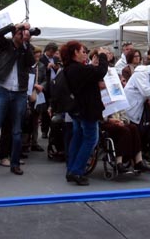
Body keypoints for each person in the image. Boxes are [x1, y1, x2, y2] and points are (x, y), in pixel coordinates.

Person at [0, 23, 35, 178]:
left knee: (17, 132)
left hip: (20, 93)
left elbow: (30, 62)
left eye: (22, 33)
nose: (20, 36)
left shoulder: (26, 48)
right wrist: (13, 27)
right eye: (19, 34)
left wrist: (26, 43)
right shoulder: (6, 45)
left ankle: (15, 164)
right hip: (3, 91)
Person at [60, 42, 109, 186]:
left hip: (78, 109)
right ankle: (77, 171)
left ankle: (71, 169)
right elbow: (100, 71)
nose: (85, 53)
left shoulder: (71, 68)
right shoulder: (77, 69)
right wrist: (102, 55)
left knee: (78, 137)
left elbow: (91, 77)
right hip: (86, 109)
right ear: (75, 52)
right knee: (90, 139)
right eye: (83, 51)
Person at [39, 42, 60, 139]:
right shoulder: (41, 59)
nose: (51, 54)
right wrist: (47, 68)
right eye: (50, 52)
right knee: (45, 109)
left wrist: (56, 67)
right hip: (46, 85)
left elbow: (59, 70)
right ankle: (44, 130)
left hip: (55, 85)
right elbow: (40, 72)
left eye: (53, 52)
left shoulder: (56, 59)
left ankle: (53, 130)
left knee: (54, 107)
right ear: (46, 50)